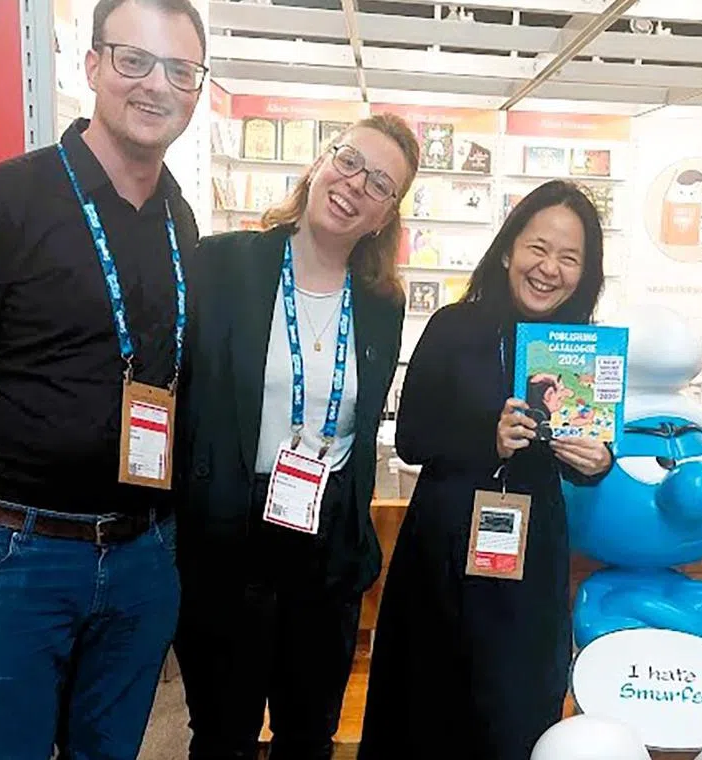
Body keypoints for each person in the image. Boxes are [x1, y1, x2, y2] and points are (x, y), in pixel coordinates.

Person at [0, 0, 206, 757]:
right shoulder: (8, 198)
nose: (156, 85)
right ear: (93, 65)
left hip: (141, 556)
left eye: (180, 70)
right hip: (15, 556)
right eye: (134, 60)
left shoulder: (180, 220)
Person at [173, 113, 419, 760]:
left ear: (385, 216)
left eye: (380, 184)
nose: (355, 185)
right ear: (320, 163)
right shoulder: (223, 264)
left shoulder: (381, 304)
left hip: (327, 538)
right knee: (222, 735)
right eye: (349, 161)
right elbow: (164, 368)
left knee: (309, 736)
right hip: (228, 531)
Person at [358, 180, 615, 760]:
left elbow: (587, 453)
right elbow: (411, 438)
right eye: (537, 248)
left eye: (569, 258)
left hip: (531, 556)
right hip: (444, 547)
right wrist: (487, 440)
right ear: (507, 251)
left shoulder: (583, 349)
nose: (548, 269)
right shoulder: (454, 326)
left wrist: (600, 462)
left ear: (585, 274)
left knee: (515, 709)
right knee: (424, 707)